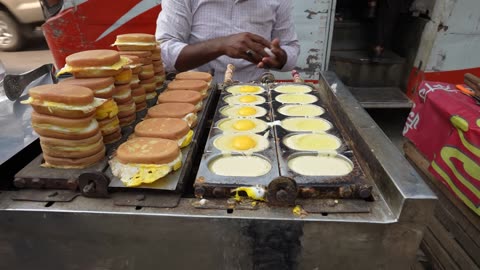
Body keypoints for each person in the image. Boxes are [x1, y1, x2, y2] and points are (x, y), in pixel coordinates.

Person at [155, 0, 300, 83]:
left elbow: (291, 48)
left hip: (253, 96)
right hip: (196, 96)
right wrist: (220, 45)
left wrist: (281, 57)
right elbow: (163, 55)